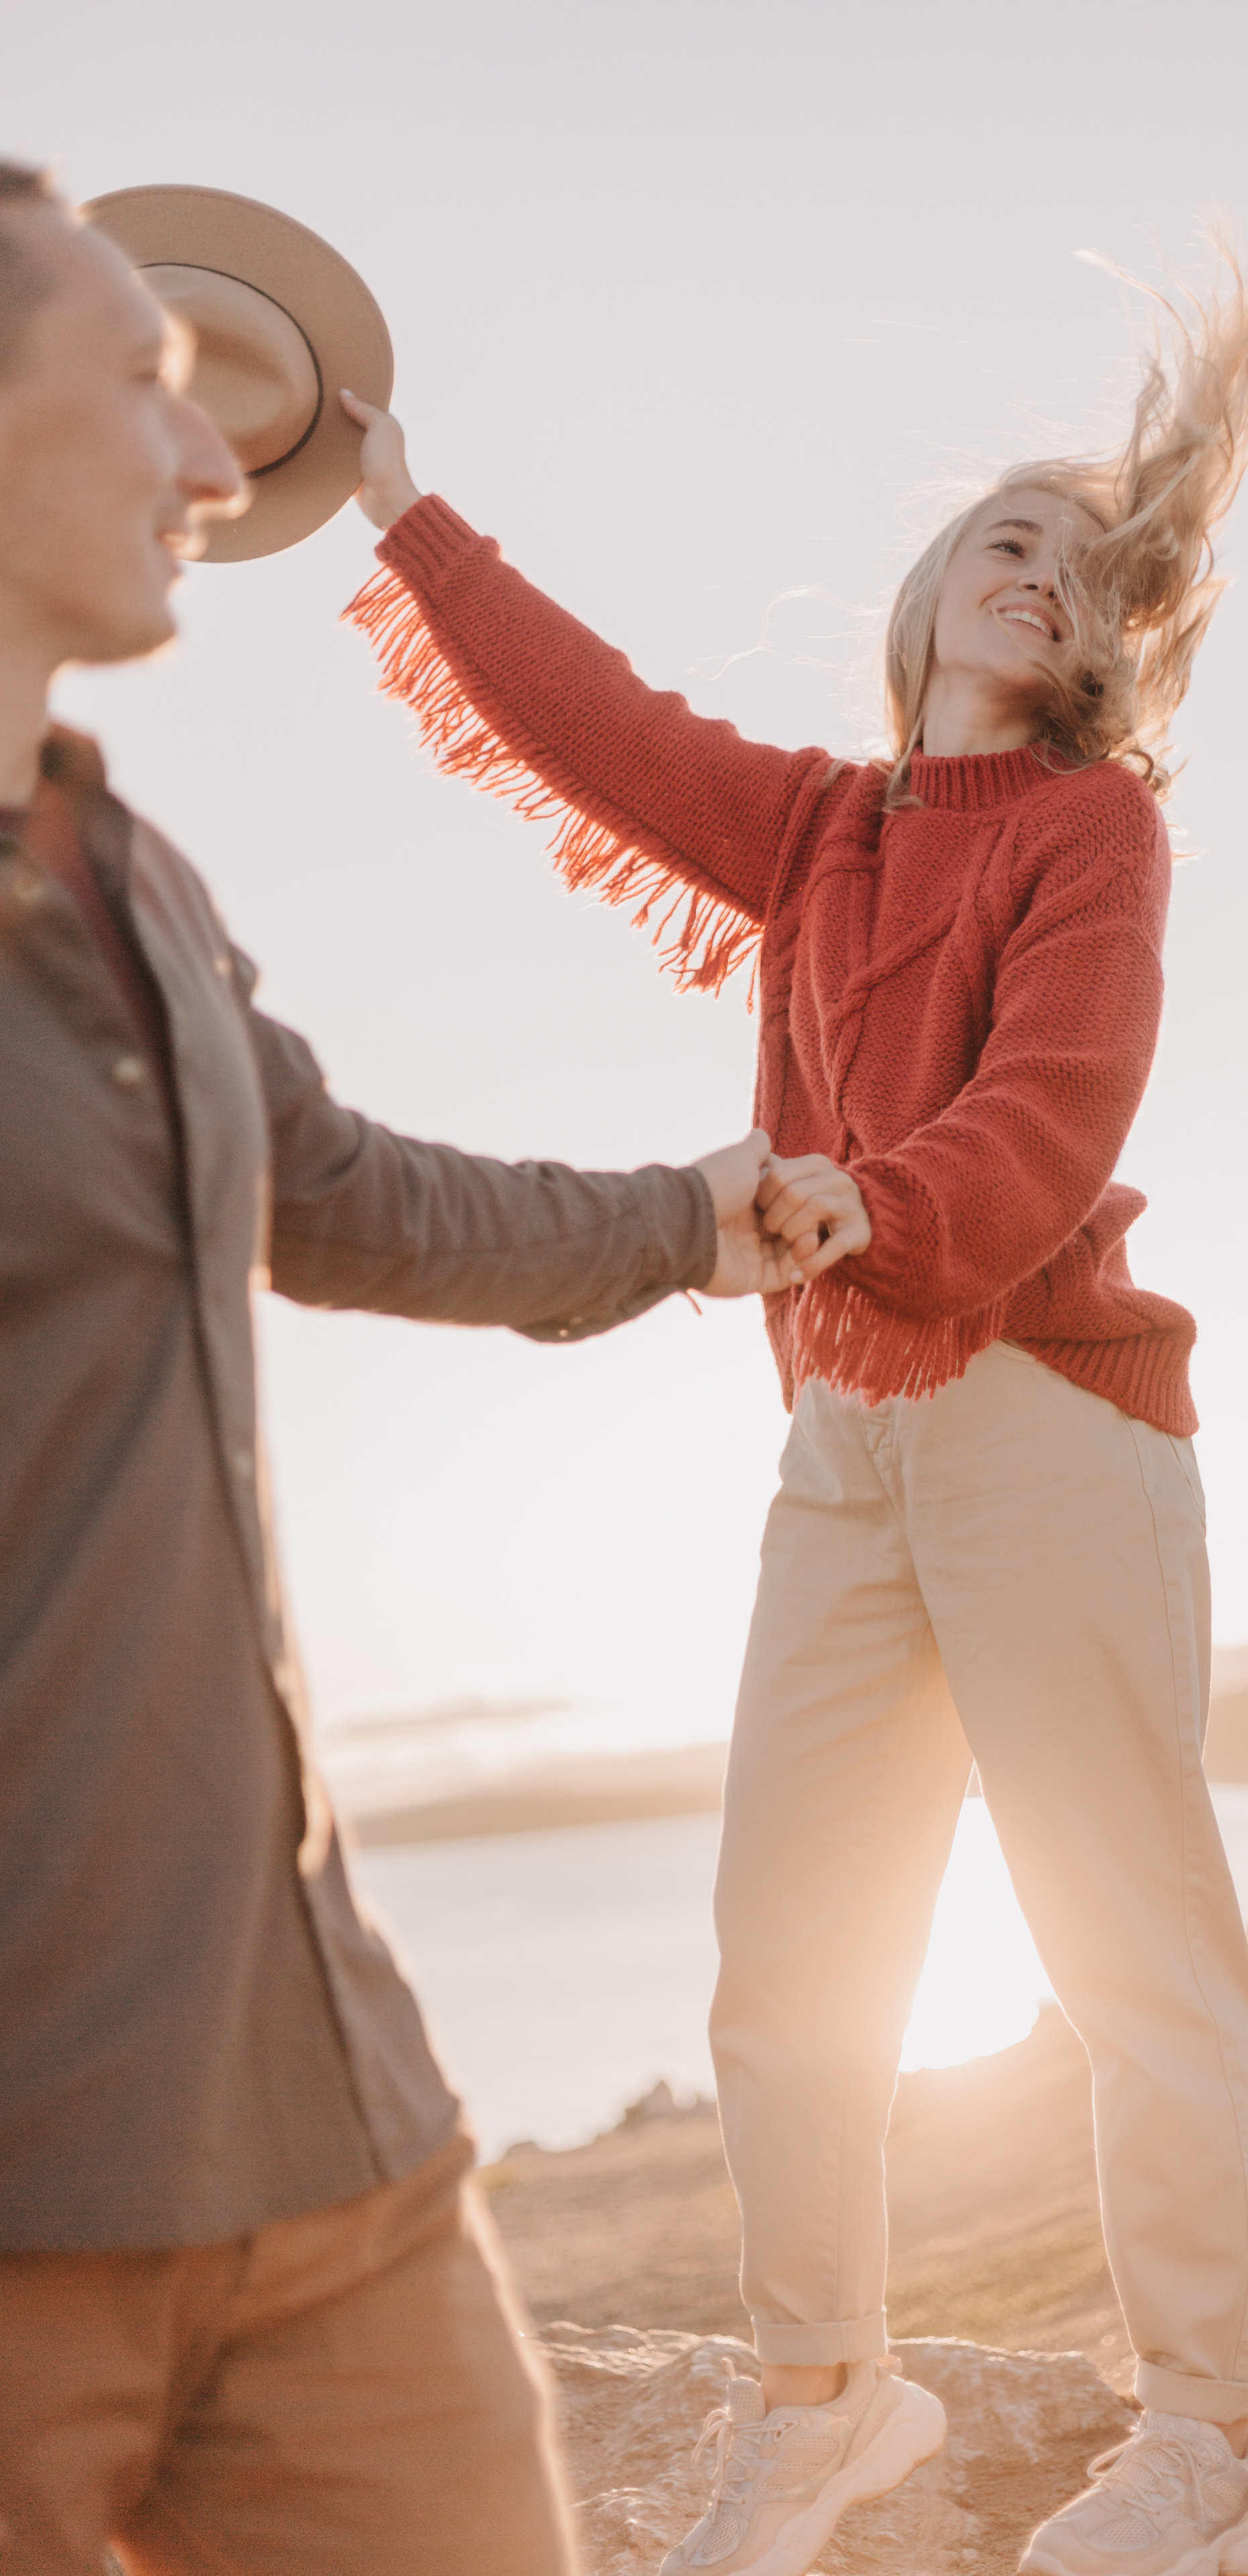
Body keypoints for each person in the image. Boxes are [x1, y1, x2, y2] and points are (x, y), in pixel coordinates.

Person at [344, 233, 1248, 2576]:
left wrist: (866, 1218)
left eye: (1087, 574)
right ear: (928, 587)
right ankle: (826, 2405)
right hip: (845, 1436)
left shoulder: (1098, 836)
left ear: (1106, 655)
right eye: (1008, 535)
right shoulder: (816, 839)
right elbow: (598, 723)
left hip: (1050, 1412)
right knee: (791, 1954)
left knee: (1131, 1948)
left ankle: (1212, 2446)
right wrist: (395, 505)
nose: (1039, 573)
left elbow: (1059, 1113)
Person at [0, 162, 798, 2576]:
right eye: (143, 388)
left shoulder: (132, 881)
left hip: (327, 2149)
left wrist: (695, 1223)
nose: (214, 467)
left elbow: (342, 1187)